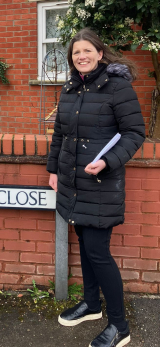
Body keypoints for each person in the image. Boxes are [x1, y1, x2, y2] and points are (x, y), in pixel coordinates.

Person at [47, 28, 145, 347]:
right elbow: (60, 135)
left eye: (87, 50)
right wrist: (53, 171)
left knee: (97, 252)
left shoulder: (118, 87)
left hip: (101, 183)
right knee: (85, 246)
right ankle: (91, 304)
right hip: (73, 182)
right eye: (76, 53)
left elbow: (134, 133)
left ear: (100, 54)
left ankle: (120, 327)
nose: (82, 56)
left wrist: (107, 162)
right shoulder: (71, 88)